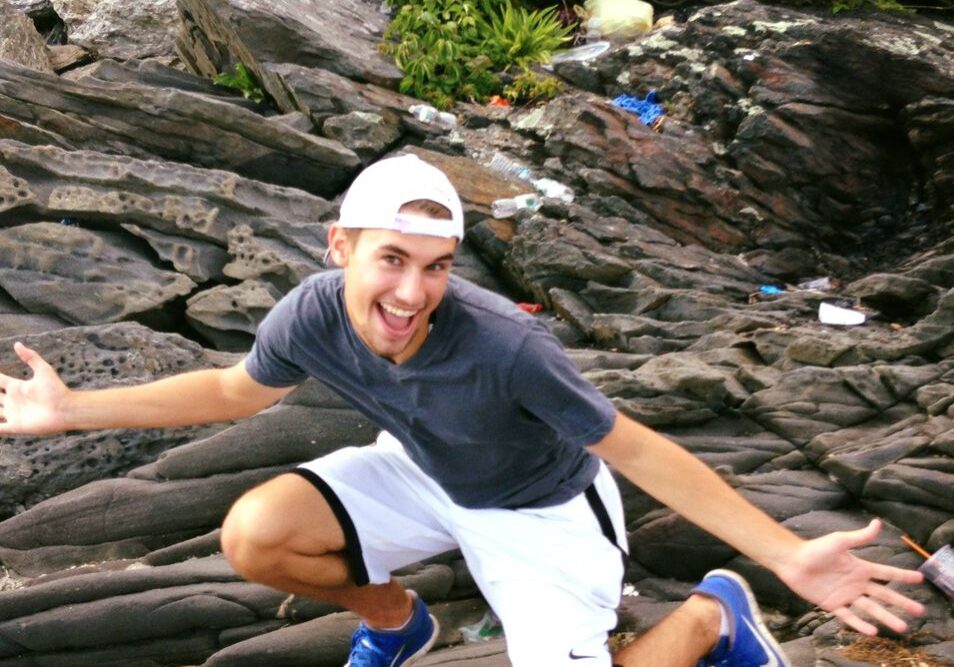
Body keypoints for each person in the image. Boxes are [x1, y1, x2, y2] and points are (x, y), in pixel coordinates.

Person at [0, 155, 925, 667]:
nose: (413, 292)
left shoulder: (507, 346)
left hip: (540, 511)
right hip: (422, 472)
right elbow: (234, 391)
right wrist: (73, 408)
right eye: (392, 260)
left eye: (437, 266)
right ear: (341, 247)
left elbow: (636, 446)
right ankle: (398, 618)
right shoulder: (312, 312)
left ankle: (715, 617)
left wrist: (785, 550)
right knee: (253, 535)